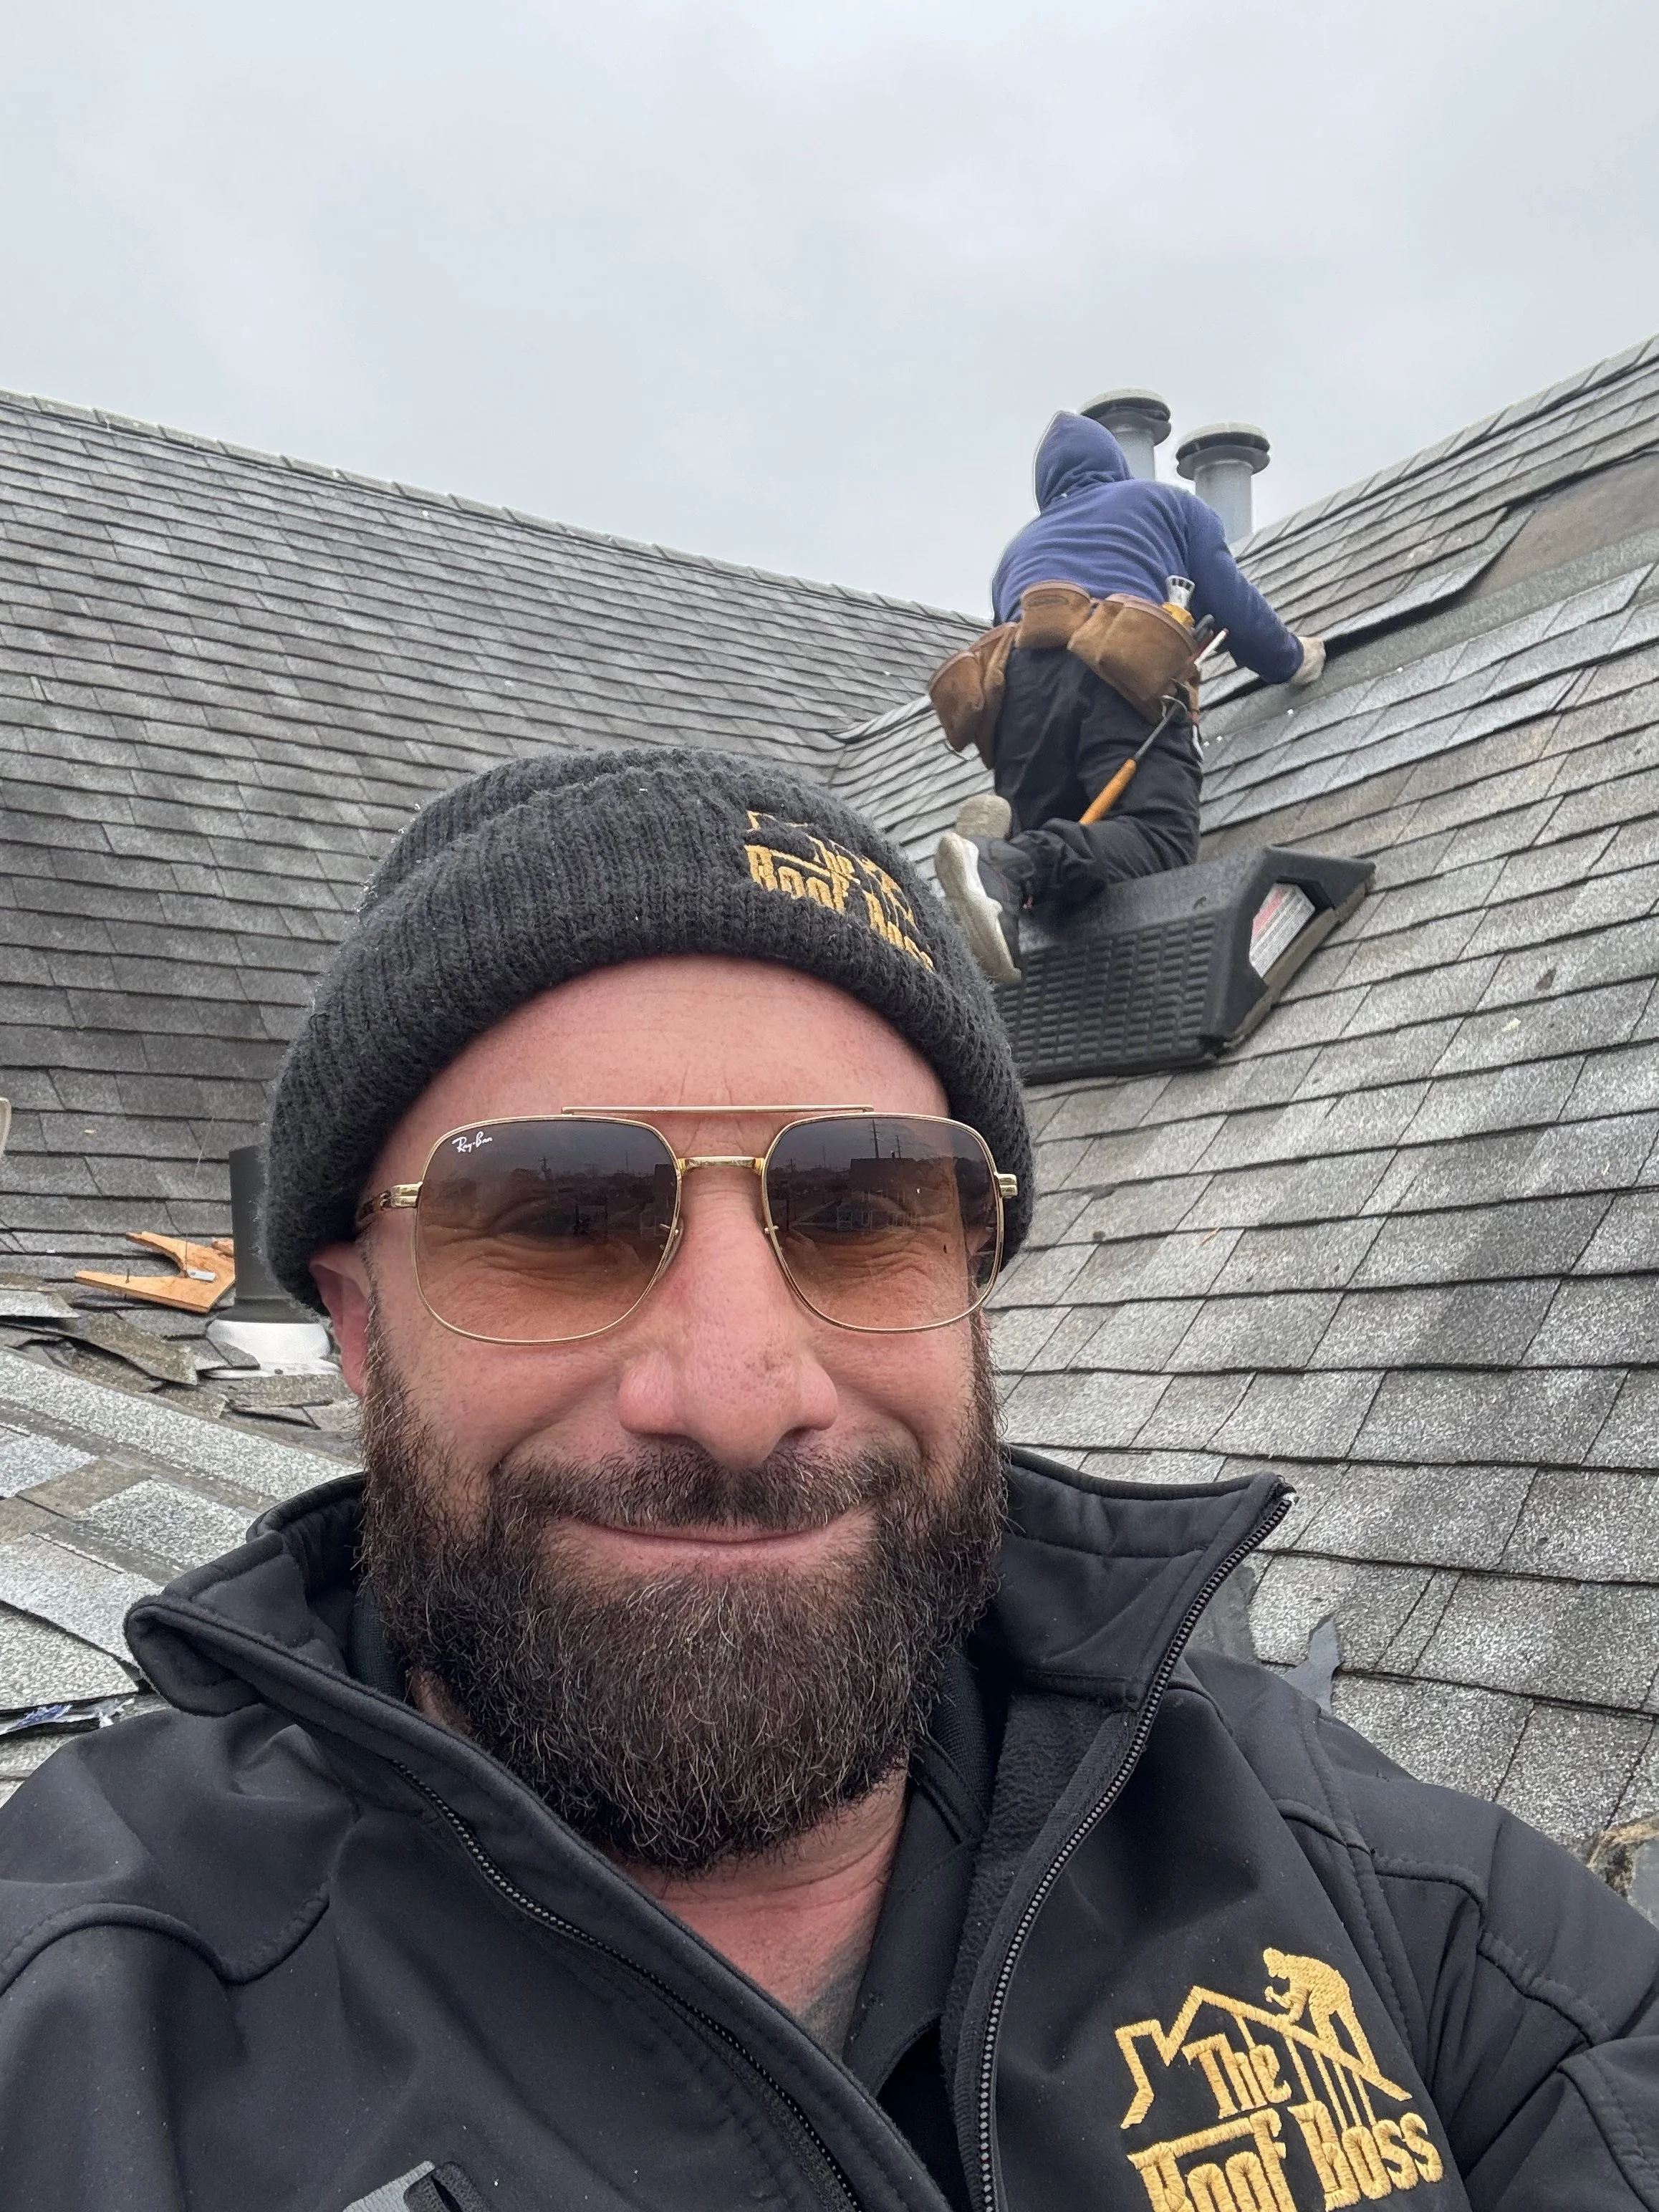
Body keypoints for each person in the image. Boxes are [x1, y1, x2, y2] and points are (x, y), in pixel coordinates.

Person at [0, 744, 1653, 2212]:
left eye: (861, 1210)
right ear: (357, 1330)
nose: (734, 1393)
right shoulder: (74, 2034)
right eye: (554, 1221)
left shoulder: (1374, 1890)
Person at [935, 410, 1325, 982]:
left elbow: (1011, 642)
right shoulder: (1167, 505)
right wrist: (1294, 658)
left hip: (1019, 699)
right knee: (1158, 838)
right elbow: (1235, 608)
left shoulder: (1017, 554)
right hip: (1112, 670)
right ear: (1116, 470)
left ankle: (1003, 856)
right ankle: (1002, 857)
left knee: (1057, 877)